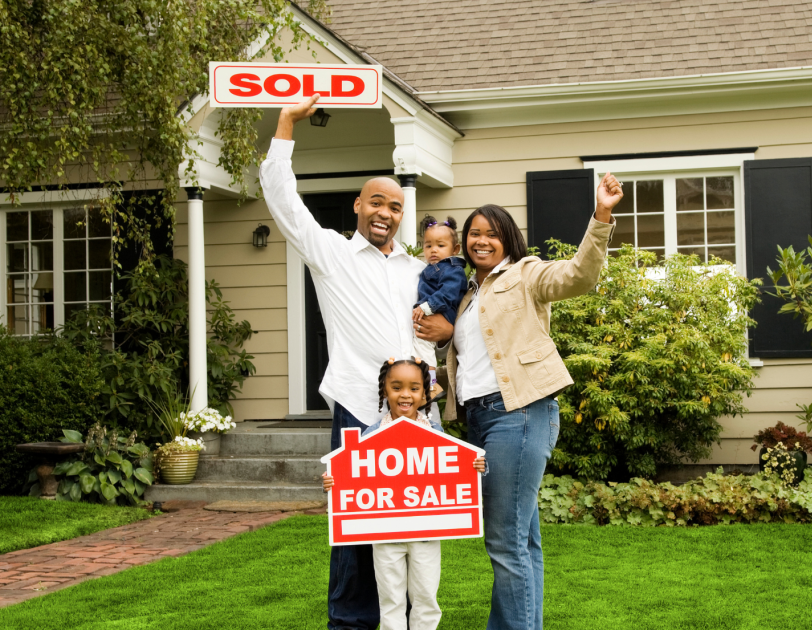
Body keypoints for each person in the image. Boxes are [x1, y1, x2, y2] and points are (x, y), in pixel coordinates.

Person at [259, 94, 454, 630]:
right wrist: (285, 125)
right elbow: (281, 199)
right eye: (376, 203)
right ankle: (349, 623)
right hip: (359, 410)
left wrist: (440, 349)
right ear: (357, 206)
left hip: (421, 413)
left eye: (395, 207)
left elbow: (435, 327)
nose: (386, 213)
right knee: (357, 526)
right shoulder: (330, 253)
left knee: (417, 528)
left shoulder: (418, 269)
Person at [430, 176, 623, 630]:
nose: (481, 240)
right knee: (523, 540)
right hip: (479, 419)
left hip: (519, 413)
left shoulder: (525, 274)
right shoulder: (464, 296)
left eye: (492, 233)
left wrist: (601, 217)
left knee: (504, 540)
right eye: (474, 233)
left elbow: (579, 275)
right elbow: (477, 361)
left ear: (507, 240)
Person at [322, 357, 486, 630]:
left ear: (425, 394)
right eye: (396, 387)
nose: (405, 395)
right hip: (385, 535)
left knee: (425, 598)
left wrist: (476, 466)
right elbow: (353, 476)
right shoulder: (371, 435)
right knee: (390, 600)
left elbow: (456, 469)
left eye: (414, 388)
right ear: (385, 391)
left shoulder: (436, 432)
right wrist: (334, 483)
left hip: (426, 534)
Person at [411, 215, 468, 399]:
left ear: (455, 249)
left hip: (443, 313)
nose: (433, 250)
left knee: (422, 345)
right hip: (435, 312)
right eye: (428, 246)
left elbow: (448, 293)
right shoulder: (431, 268)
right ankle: (427, 382)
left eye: (440, 246)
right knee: (420, 347)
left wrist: (426, 307)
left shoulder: (451, 269)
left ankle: (432, 385)